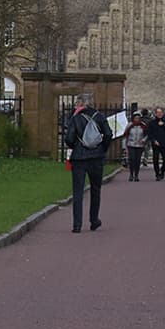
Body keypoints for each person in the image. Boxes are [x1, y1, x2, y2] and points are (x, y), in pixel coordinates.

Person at [61, 93, 112, 232]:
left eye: (77, 102)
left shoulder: (75, 118)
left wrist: (74, 147)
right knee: (95, 189)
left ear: (81, 103)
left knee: (78, 191)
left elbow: (69, 138)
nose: (76, 105)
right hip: (96, 157)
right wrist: (102, 149)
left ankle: (77, 225)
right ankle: (94, 220)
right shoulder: (99, 116)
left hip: (79, 158)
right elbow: (108, 134)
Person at [146, 106, 165, 180]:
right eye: (158, 113)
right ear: (155, 114)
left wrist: (164, 124)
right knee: (155, 159)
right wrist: (154, 141)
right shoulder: (152, 122)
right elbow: (149, 133)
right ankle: (157, 174)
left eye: (160, 112)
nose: (159, 114)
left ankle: (162, 171)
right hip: (156, 144)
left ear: (162, 113)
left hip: (164, 143)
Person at [123, 109, 148, 181]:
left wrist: (144, 140)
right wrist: (125, 146)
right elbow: (125, 135)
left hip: (140, 145)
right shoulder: (130, 125)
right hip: (131, 144)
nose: (137, 119)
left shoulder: (143, 125)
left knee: (138, 160)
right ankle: (131, 174)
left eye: (138, 118)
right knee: (132, 159)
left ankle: (136, 175)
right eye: (135, 118)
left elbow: (147, 134)